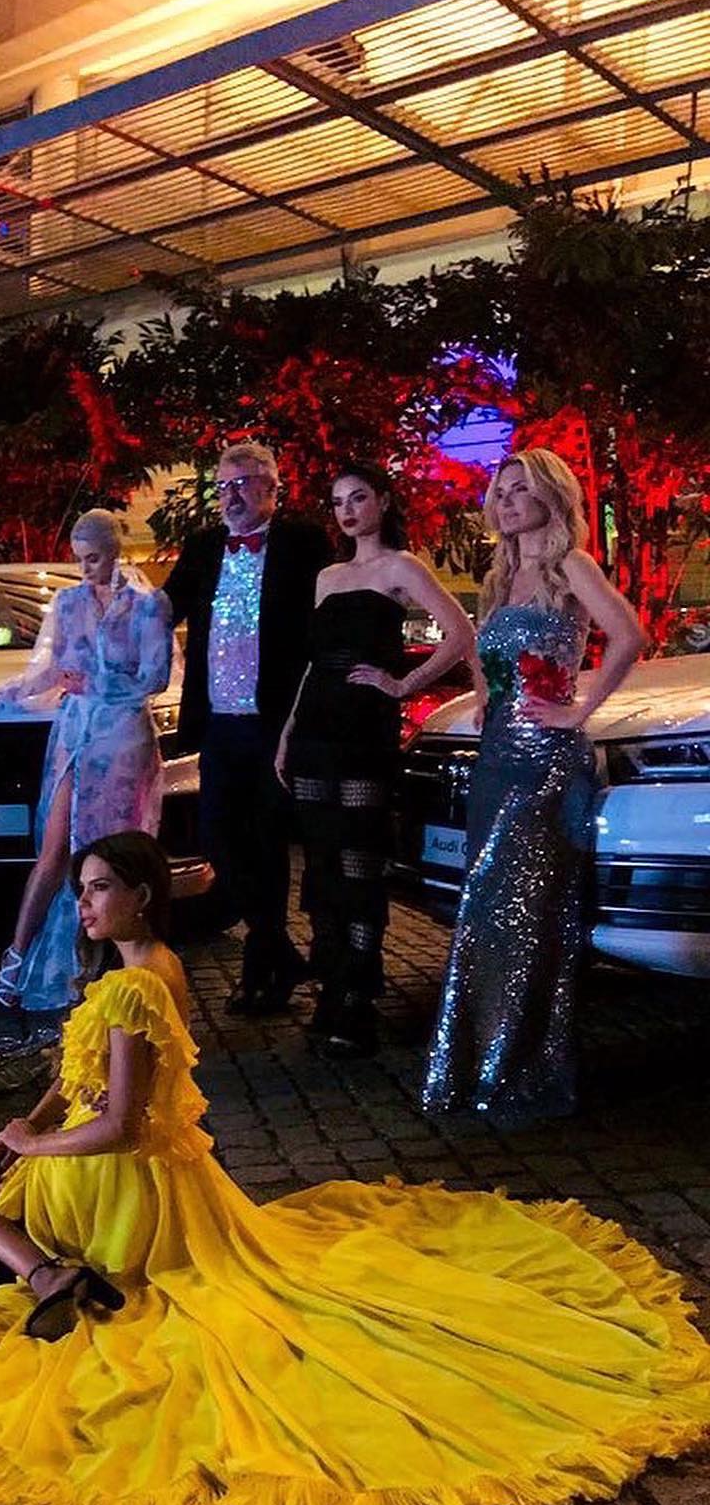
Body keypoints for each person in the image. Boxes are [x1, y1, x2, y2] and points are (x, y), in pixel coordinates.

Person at [0, 831, 710, 1505]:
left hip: (115, 1180)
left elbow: (121, 1124)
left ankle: (26, 1276)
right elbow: (77, 1082)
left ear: (142, 894)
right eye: (82, 890)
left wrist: (35, 1143)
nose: (86, 904)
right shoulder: (147, 969)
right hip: (160, 1180)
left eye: (100, 889)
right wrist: (20, 1127)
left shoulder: (134, 988)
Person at [424, 449, 644, 1125]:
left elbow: (628, 635)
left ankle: (518, 1071)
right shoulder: (502, 574)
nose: (508, 500)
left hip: (547, 763)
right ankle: (481, 1063)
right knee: (488, 910)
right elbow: (484, 655)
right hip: (497, 760)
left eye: (522, 489)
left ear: (552, 495)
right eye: (502, 491)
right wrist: (485, 695)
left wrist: (580, 711)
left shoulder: (571, 564)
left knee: (528, 917)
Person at [276, 464, 474, 1056]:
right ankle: (332, 986)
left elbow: (460, 634)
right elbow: (311, 664)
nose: (347, 510)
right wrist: (287, 732)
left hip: (364, 726)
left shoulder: (402, 567)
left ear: (383, 502)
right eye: (338, 501)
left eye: (358, 497)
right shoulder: (326, 577)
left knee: (359, 858)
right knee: (321, 862)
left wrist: (402, 684)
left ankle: (359, 997)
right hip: (315, 725)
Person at [0, 509, 174, 1012]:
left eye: (94, 557)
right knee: (55, 847)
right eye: (79, 558)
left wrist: (96, 683)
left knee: (113, 855)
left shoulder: (148, 605)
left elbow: (156, 676)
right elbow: (48, 671)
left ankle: (111, 961)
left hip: (122, 738)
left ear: (115, 551)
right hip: (77, 732)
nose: (85, 568)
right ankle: (19, 955)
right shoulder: (67, 603)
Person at [164, 440, 332, 1015]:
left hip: (276, 722)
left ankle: (264, 970)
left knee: (267, 842)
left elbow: (324, 624)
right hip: (218, 719)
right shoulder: (203, 546)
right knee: (217, 837)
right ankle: (278, 949)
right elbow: (165, 608)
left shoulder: (304, 543)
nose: (230, 496)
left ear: (271, 489)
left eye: (241, 484)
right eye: (223, 486)